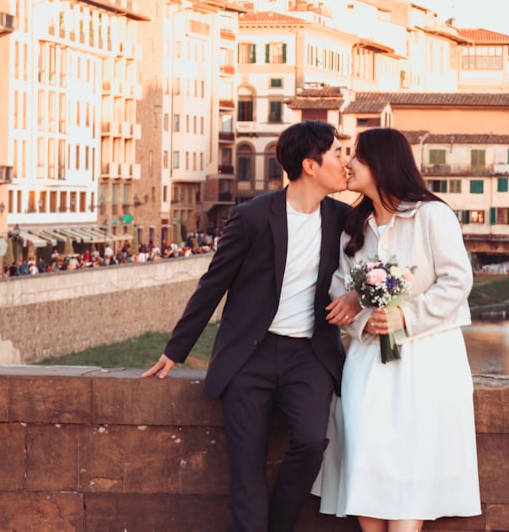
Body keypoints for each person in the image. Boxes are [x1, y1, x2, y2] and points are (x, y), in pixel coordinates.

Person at [142, 120, 353, 532]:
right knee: (246, 466)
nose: (344, 162)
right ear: (311, 166)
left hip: (309, 356)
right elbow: (213, 285)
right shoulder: (253, 216)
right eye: (337, 154)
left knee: (312, 442)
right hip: (249, 357)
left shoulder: (345, 219)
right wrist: (175, 350)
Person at [316, 127, 481, 531]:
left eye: (356, 156)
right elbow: (341, 286)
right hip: (368, 360)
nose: (348, 164)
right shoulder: (355, 225)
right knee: (365, 450)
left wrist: (404, 316)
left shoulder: (432, 215)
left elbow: (458, 281)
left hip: (426, 360)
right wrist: (358, 308)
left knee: (413, 456)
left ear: (382, 164)